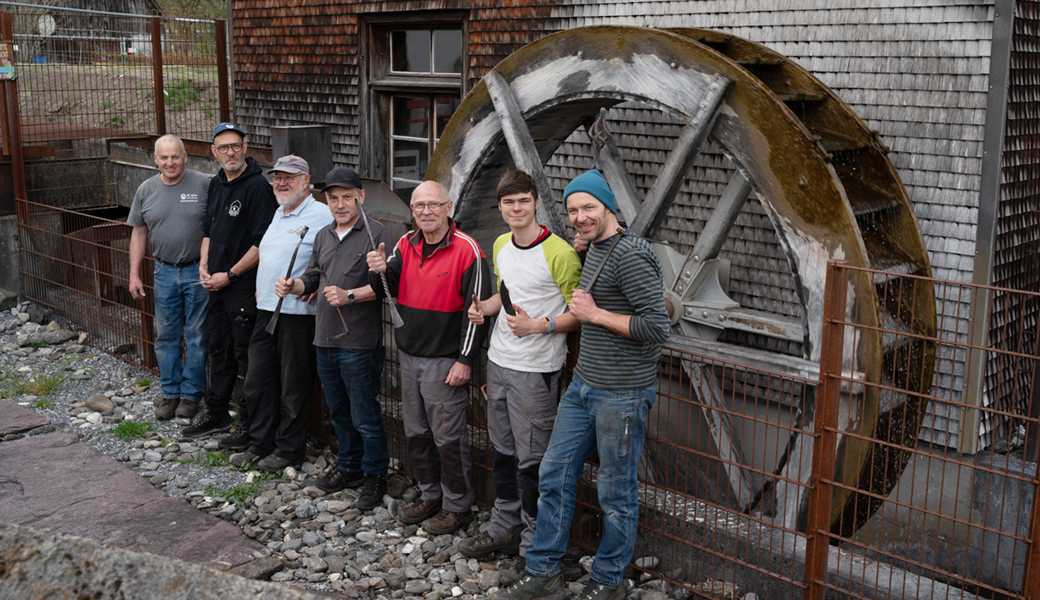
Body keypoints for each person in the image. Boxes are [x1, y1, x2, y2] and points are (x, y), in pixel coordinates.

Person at [493, 170, 669, 600]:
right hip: (584, 385)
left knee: (616, 490)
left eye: (589, 207)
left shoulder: (632, 254)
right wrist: (585, 253)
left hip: (623, 394)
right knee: (553, 474)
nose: (580, 217)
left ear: (608, 206)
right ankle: (544, 571)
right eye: (573, 210)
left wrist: (596, 315)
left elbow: (657, 326)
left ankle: (608, 580)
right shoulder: (593, 247)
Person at [461, 170, 582, 560]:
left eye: (523, 201)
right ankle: (503, 528)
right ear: (500, 208)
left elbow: (580, 314)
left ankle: (534, 546)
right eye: (508, 202)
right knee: (503, 453)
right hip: (498, 362)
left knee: (533, 462)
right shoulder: (500, 244)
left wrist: (539, 326)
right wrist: (483, 310)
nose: (516, 208)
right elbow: (504, 294)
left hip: (536, 370)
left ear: (535, 203)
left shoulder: (560, 253)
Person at [367, 180, 491, 534]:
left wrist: (465, 360)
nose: (426, 211)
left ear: (448, 207)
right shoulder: (406, 244)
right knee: (417, 432)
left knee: (448, 439)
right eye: (419, 205)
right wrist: (376, 268)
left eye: (433, 205)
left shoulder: (469, 250)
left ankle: (457, 505)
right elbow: (383, 288)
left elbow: (478, 311)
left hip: (445, 359)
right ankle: (430, 493)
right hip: (409, 354)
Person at [275, 166, 394, 510]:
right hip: (324, 338)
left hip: (359, 342)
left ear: (361, 196)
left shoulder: (378, 234)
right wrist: (294, 286)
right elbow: (314, 277)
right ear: (325, 199)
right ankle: (349, 466)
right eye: (333, 198)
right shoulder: (324, 234)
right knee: (339, 411)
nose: (340, 204)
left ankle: (375, 475)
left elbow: (389, 287)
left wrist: (351, 296)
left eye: (347, 197)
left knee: (364, 414)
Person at [228, 155, 332, 472]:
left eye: (289, 177)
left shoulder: (322, 214)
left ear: (306, 180)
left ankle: (289, 450)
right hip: (266, 311)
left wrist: (320, 281)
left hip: (298, 315)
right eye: (277, 177)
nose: (281, 183)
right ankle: (261, 443)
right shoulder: (279, 212)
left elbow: (337, 254)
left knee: (293, 387)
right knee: (258, 380)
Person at [183, 122, 277, 443]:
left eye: (235, 145)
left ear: (245, 147)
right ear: (214, 152)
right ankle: (218, 412)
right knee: (218, 349)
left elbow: (262, 243)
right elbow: (209, 231)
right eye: (223, 147)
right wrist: (205, 267)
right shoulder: (217, 184)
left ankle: (251, 424)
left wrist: (231, 275)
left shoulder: (258, 188)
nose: (230, 152)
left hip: (242, 288)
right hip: (216, 285)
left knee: (246, 355)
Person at [127, 134, 210, 421]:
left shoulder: (204, 184)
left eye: (175, 156)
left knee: (198, 334)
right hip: (163, 270)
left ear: (186, 157)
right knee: (166, 334)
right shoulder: (146, 190)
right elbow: (139, 233)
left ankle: (191, 394)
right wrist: (134, 274)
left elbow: (216, 228)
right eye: (164, 157)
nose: (170, 162)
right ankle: (170, 393)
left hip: (197, 270)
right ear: (155, 160)